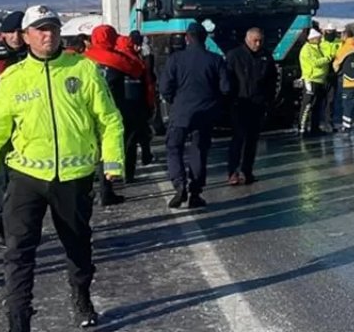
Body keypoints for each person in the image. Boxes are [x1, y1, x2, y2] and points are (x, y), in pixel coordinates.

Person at [0, 4, 125, 332]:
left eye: (53, 28)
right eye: (40, 29)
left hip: (72, 179)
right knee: (19, 254)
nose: (48, 34)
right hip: (27, 178)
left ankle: (81, 293)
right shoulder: (13, 78)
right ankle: (18, 330)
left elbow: (109, 119)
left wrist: (113, 160)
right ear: (25, 37)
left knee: (78, 246)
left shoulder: (83, 68)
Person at [159, 23, 230, 208]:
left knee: (174, 149)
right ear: (205, 38)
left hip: (180, 113)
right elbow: (226, 88)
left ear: (187, 38)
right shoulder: (215, 60)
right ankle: (196, 192)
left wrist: (175, 101)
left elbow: (165, 87)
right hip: (205, 113)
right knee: (199, 151)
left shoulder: (175, 59)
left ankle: (179, 184)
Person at [84, 24, 142, 206]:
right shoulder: (117, 60)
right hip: (112, 108)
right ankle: (106, 190)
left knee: (88, 150)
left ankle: (87, 190)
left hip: (86, 110)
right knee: (107, 149)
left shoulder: (83, 60)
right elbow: (137, 69)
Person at [0, 10, 28, 251]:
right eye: (12, 32)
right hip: (1, 124)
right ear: (3, 34)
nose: (16, 37)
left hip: (23, 126)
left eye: (20, 32)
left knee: (18, 182)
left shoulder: (28, 55)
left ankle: (12, 225)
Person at [225, 27, 275, 184]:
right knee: (238, 139)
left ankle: (247, 170)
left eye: (260, 41)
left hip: (258, 104)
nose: (258, 44)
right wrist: (229, 101)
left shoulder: (266, 57)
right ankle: (233, 172)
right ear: (247, 39)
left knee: (252, 141)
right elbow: (228, 80)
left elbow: (271, 81)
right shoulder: (234, 56)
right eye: (255, 41)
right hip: (239, 103)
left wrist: (268, 101)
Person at [115, 34, 155, 182]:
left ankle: (114, 173)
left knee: (120, 140)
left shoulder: (113, 61)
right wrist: (150, 103)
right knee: (133, 139)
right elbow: (148, 83)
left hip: (118, 105)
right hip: (137, 105)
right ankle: (129, 173)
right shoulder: (136, 62)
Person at [332, 24, 354, 133]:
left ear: (346, 35)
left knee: (348, 105)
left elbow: (336, 65)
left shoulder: (344, 49)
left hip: (349, 81)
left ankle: (347, 126)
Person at [297, 28, 330, 135]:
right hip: (310, 79)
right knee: (307, 104)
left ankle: (314, 127)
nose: (321, 39)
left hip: (319, 79)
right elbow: (315, 62)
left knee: (317, 105)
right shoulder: (307, 49)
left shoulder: (317, 48)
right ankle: (302, 128)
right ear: (313, 39)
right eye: (319, 38)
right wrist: (327, 59)